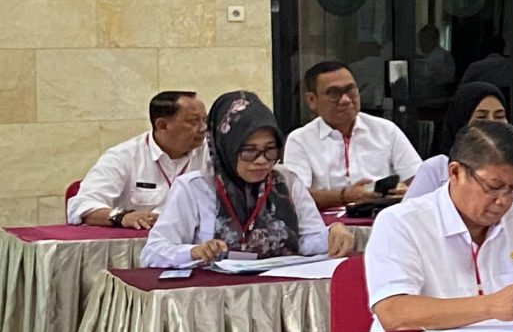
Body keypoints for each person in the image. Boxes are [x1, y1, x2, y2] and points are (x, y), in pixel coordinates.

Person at [365, 120, 513, 331]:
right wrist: (491, 306)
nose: (503, 200)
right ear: (455, 172)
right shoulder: (400, 222)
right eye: (493, 187)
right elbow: (393, 312)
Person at [142, 91, 346, 267]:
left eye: (270, 150)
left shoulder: (285, 180)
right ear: (227, 148)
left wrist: (331, 234)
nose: (262, 161)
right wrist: (193, 252)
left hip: (281, 286)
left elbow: (305, 240)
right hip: (216, 292)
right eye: (249, 151)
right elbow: (152, 253)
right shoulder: (194, 188)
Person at [399, 81, 513, 235]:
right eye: (481, 117)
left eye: (499, 116)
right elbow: (409, 221)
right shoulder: (436, 168)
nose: (492, 123)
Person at [284, 59, 423, 216]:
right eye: (334, 93)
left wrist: (405, 190)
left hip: (382, 220)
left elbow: (420, 181)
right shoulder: (299, 140)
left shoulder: (385, 130)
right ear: (312, 100)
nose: (345, 100)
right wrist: (346, 196)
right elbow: (296, 197)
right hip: (327, 226)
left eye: (350, 90)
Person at [69, 90, 208, 228]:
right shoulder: (123, 156)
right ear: (162, 125)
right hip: (139, 239)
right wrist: (122, 217)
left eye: (205, 120)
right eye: (193, 121)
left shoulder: (213, 152)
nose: (203, 128)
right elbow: (82, 205)